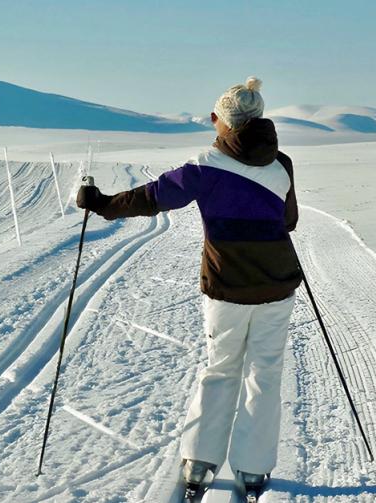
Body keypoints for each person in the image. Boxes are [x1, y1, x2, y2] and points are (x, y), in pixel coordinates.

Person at [76, 77, 302, 490]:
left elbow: (152, 197)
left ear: (222, 121)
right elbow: (288, 221)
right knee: (265, 372)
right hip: (277, 284)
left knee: (221, 369)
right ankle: (253, 468)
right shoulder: (281, 163)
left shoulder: (206, 166)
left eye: (214, 117)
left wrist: (102, 205)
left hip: (226, 287)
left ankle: (200, 463)